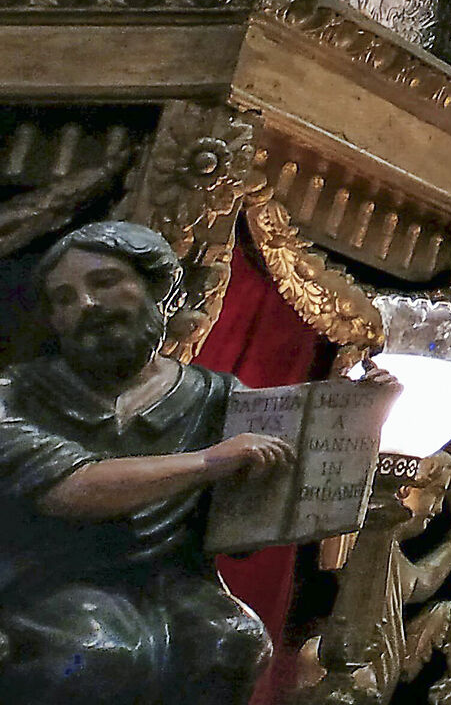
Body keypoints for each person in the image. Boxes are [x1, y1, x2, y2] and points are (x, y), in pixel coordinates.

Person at [0, 220, 321, 705]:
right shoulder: (17, 394)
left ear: (161, 292)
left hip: (176, 580)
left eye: (104, 282)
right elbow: (71, 488)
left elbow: (251, 520)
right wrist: (210, 462)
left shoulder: (218, 397)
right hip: (48, 578)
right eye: (64, 298)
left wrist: (360, 407)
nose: (85, 305)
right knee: (96, 652)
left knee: (231, 641)